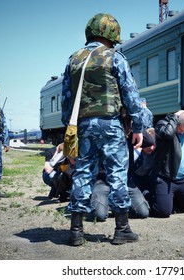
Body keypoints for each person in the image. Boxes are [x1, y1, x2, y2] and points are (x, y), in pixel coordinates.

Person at [61, 13, 143, 246]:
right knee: (116, 174)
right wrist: (138, 125)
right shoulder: (115, 58)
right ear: (112, 34)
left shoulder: (73, 60)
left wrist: (70, 136)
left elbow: (67, 102)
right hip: (109, 125)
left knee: (82, 173)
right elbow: (130, 95)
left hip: (82, 126)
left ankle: (76, 230)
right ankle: (122, 229)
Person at [90, 129, 154, 221]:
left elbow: (149, 141)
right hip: (103, 181)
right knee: (100, 216)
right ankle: (99, 202)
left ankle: (116, 204)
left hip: (125, 181)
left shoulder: (127, 130)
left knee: (143, 213)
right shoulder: (101, 127)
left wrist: (132, 122)